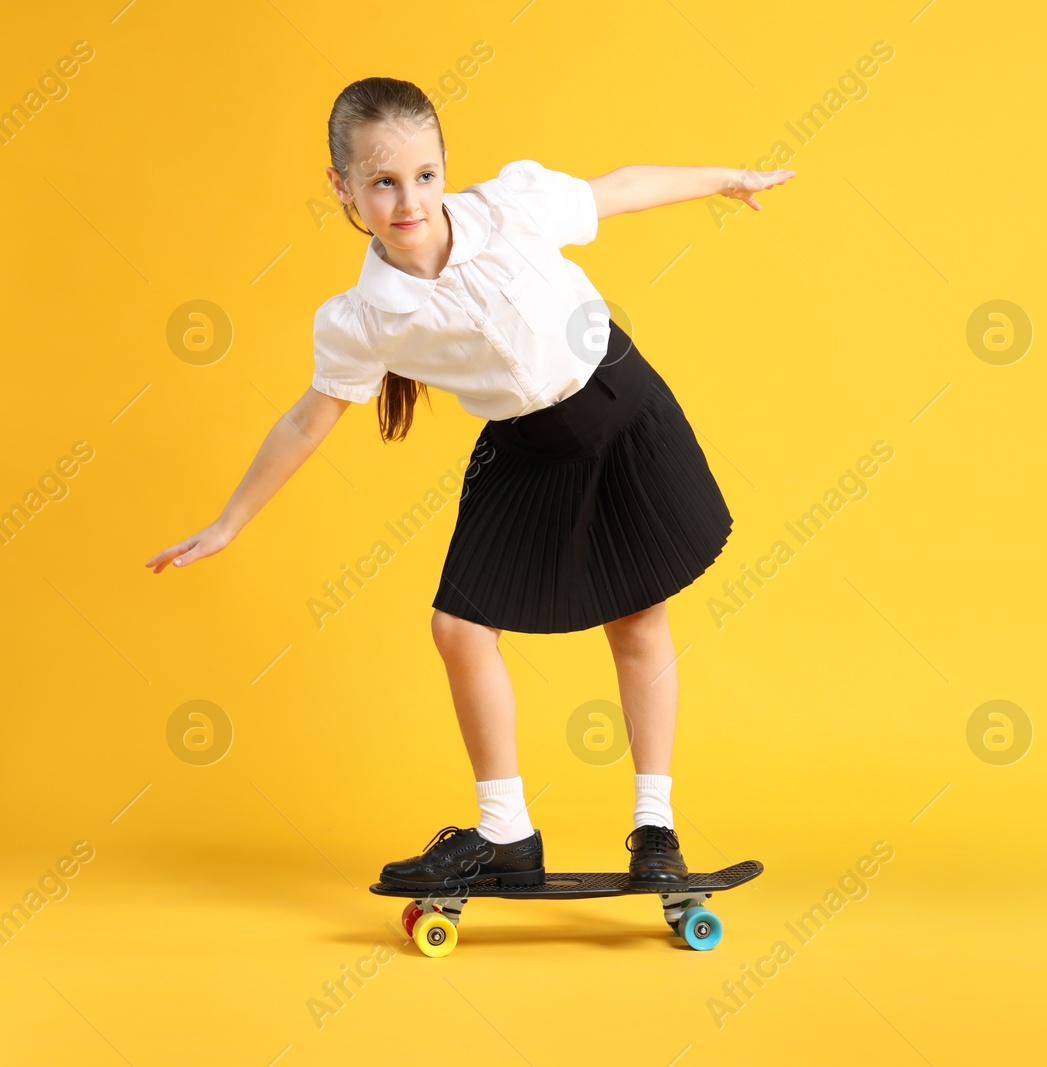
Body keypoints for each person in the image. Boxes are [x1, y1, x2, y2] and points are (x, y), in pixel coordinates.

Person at [145, 76, 793, 894]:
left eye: (422, 174)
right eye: (381, 182)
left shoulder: (513, 208)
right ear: (342, 189)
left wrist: (724, 179)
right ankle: (506, 834)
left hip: (624, 407)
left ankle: (655, 828)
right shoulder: (360, 318)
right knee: (459, 627)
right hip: (526, 444)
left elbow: (619, 188)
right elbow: (309, 419)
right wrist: (231, 519)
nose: (408, 200)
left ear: (446, 163)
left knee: (637, 618)